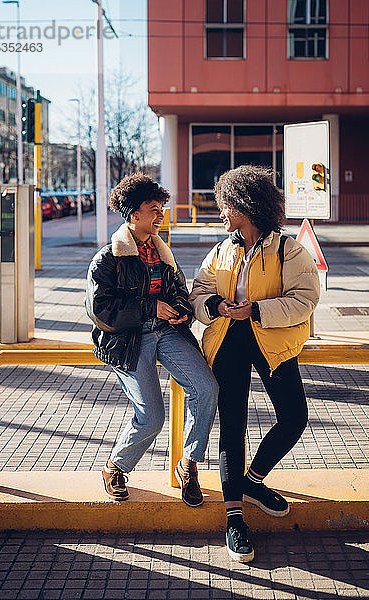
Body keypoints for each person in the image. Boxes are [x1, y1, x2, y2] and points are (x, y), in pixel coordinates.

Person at [190, 165, 320, 562]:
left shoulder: (288, 250)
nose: (221, 213)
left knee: (294, 418)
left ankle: (253, 480)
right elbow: (199, 291)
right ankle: (234, 520)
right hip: (228, 342)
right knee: (232, 428)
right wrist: (214, 305)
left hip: (272, 342)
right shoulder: (222, 249)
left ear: (245, 205)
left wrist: (258, 310)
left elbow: (305, 300)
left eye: (226, 205)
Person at [85, 173, 218, 507]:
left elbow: (178, 291)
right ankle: (115, 467)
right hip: (128, 340)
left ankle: (189, 464)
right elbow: (101, 311)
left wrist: (182, 311)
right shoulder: (108, 259)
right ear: (134, 216)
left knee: (206, 389)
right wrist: (150, 307)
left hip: (168, 332)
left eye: (161, 208)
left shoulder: (161, 252)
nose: (161, 215)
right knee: (152, 417)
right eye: (154, 209)